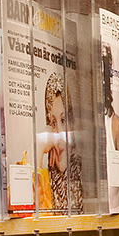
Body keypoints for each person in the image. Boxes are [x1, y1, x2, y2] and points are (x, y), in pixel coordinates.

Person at [38, 71, 83, 212]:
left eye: (63, 120)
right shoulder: (46, 179)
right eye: (53, 123)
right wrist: (39, 148)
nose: (59, 138)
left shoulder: (83, 172)